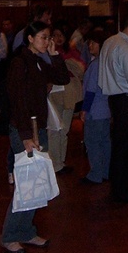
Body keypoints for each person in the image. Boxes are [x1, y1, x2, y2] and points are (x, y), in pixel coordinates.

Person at [1, 21, 70, 253]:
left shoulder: (39, 61)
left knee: (36, 182)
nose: (47, 41)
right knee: (25, 183)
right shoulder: (20, 63)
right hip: (25, 129)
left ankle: (26, 231)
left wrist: (54, 54)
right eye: (43, 37)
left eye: (49, 37)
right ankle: (11, 234)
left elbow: (63, 78)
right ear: (30, 38)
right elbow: (16, 100)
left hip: (38, 127)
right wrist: (24, 137)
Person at [98, 13, 128, 203]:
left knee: (120, 146)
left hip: (115, 99)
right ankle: (123, 191)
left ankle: (118, 188)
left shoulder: (109, 42)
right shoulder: (126, 49)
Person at [48, 24, 85, 174]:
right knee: (54, 129)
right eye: (55, 35)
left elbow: (81, 70)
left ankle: (60, 162)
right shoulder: (47, 53)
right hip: (54, 94)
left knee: (64, 129)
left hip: (69, 94)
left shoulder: (72, 53)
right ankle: (54, 163)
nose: (58, 38)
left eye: (61, 35)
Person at [79, 29, 111, 185]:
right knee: (105, 141)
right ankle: (105, 171)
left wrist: (84, 109)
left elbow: (90, 90)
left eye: (93, 42)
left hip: (95, 110)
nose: (90, 45)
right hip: (106, 110)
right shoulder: (108, 62)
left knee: (92, 142)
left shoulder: (95, 65)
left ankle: (95, 174)